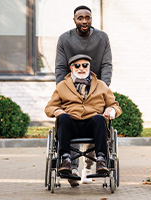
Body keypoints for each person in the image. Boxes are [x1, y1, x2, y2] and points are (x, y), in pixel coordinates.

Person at [55, 5, 113, 186]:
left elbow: (106, 65)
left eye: (87, 17)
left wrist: (101, 88)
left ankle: (91, 166)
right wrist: (64, 90)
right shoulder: (65, 39)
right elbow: (60, 67)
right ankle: (70, 167)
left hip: (95, 87)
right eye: (80, 18)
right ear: (74, 20)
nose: (84, 21)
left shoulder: (102, 38)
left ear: (91, 19)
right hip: (71, 87)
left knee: (96, 120)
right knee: (68, 118)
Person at [45, 54, 121, 180]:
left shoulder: (101, 85)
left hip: (93, 126)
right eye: (77, 65)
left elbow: (115, 106)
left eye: (85, 65)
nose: (81, 68)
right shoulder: (62, 86)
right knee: (63, 118)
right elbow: (49, 108)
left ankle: (101, 160)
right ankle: (65, 159)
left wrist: (111, 109)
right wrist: (57, 110)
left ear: (89, 66)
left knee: (100, 118)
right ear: (71, 68)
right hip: (71, 125)